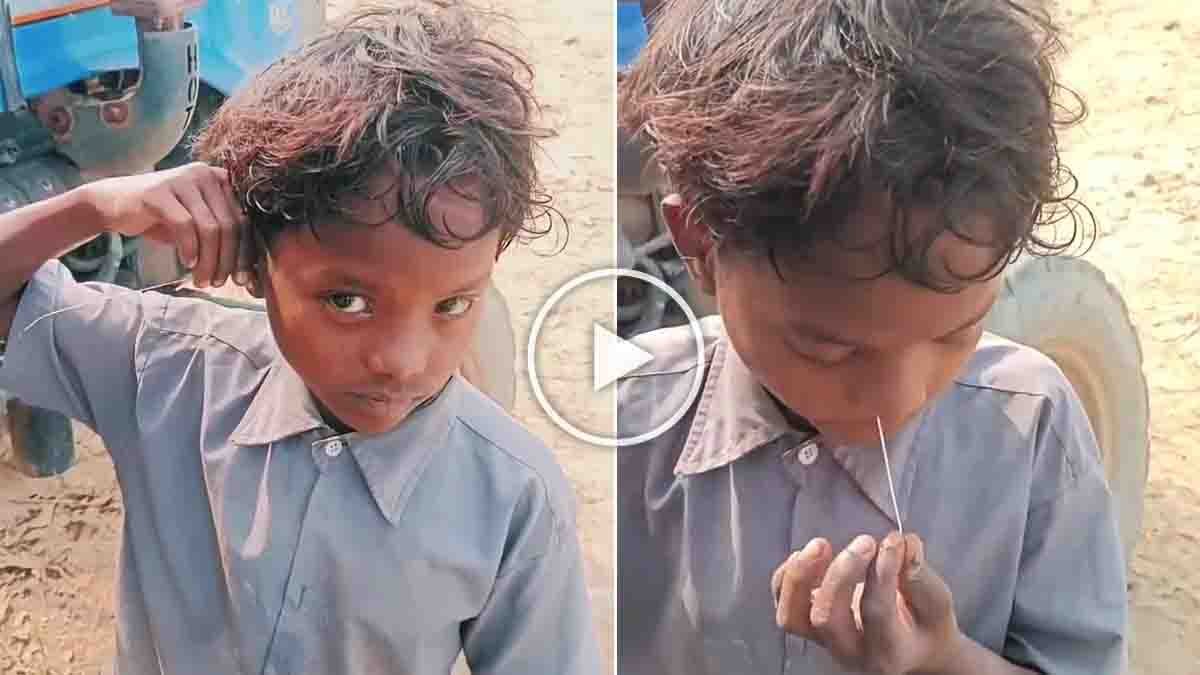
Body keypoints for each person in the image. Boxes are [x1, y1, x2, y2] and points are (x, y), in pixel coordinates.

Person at [0, 3, 600, 673]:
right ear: (254, 265)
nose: (400, 362)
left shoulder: (513, 499)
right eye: (347, 300)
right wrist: (97, 204)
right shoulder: (164, 369)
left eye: (452, 303)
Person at [616, 0, 1127, 674]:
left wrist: (943, 661)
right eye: (829, 348)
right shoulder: (625, 420)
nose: (898, 400)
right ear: (700, 246)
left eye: (956, 332)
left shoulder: (1032, 425)